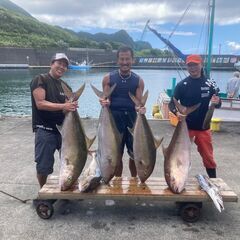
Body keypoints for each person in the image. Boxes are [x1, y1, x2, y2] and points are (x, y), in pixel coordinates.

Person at [30, 53, 78, 188]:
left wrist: (71, 107)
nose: (62, 67)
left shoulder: (64, 85)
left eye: (65, 65)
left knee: (70, 162)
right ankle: (43, 193)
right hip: (45, 130)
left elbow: (63, 110)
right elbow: (40, 103)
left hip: (63, 131)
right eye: (59, 63)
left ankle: (67, 186)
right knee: (44, 166)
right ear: (52, 63)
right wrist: (64, 105)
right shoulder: (40, 79)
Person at [169, 54, 221, 178]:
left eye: (195, 65)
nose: (193, 68)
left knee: (208, 157)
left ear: (201, 64)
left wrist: (217, 101)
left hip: (203, 128)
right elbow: (172, 103)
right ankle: (177, 180)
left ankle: (214, 181)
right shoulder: (182, 85)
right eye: (190, 65)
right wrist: (178, 113)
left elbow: (218, 104)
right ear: (187, 67)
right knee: (179, 156)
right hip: (185, 128)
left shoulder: (210, 83)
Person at [99, 46, 145, 177]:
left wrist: (140, 108)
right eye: (122, 59)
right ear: (117, 61)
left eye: (128, 59)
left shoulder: (138, 81)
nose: (125, 62)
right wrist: (104, 102)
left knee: (134, 154)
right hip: (113, 119)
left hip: (132, 119)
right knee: (115, 154)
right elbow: (105, 98)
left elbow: (139, 102)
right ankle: (116, 182)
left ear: (133, 60)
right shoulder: (108, 78)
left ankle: (134, 180)